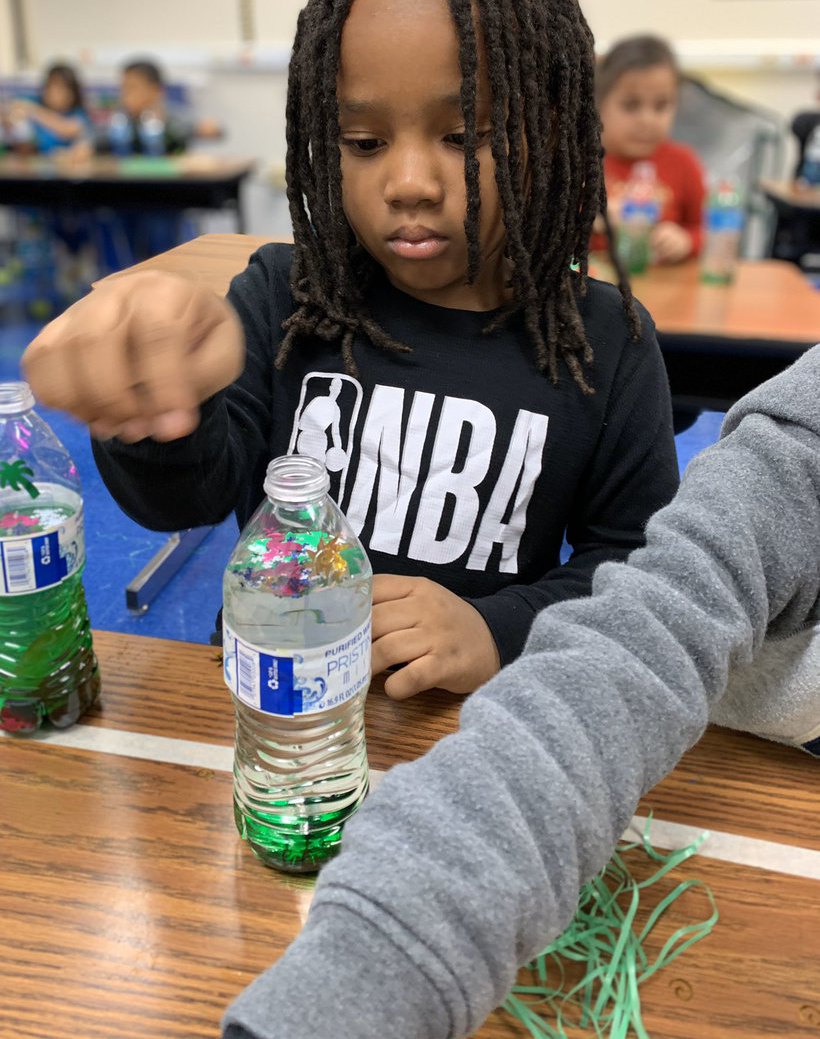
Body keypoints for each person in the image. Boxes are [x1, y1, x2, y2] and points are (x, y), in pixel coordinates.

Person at [23, 0, 680, 700]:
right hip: (275, 714)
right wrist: (153, 408)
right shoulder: (287, 298)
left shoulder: (605, 343)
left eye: (466, 137)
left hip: (473, 741)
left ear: (547, 130)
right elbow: (184, 499)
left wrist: (498, 630)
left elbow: (633, 572)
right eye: (363, 144)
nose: (407, 183)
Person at [219, 341, 820, 1039]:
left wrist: (496, 630)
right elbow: (651, 620)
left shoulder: (606, 343)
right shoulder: (790, 466)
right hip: (360, 779)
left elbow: (621, 557)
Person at [596, 35, 706, 264]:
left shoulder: (684, 163)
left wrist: (686, 240)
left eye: (661, 106)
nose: (647, 120)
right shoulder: (580, 163)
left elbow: (708, 230)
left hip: (665, 288)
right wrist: (594, 219)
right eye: (631, 105)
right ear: (599, 104)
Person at [6, 62, 90, 154]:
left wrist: (32, 110)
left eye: (63, 88)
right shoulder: (34, 101)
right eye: (52, 86)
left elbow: (68, 129)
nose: (55, 93)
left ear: (73, 92)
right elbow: (13, 107)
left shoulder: (78, 113)